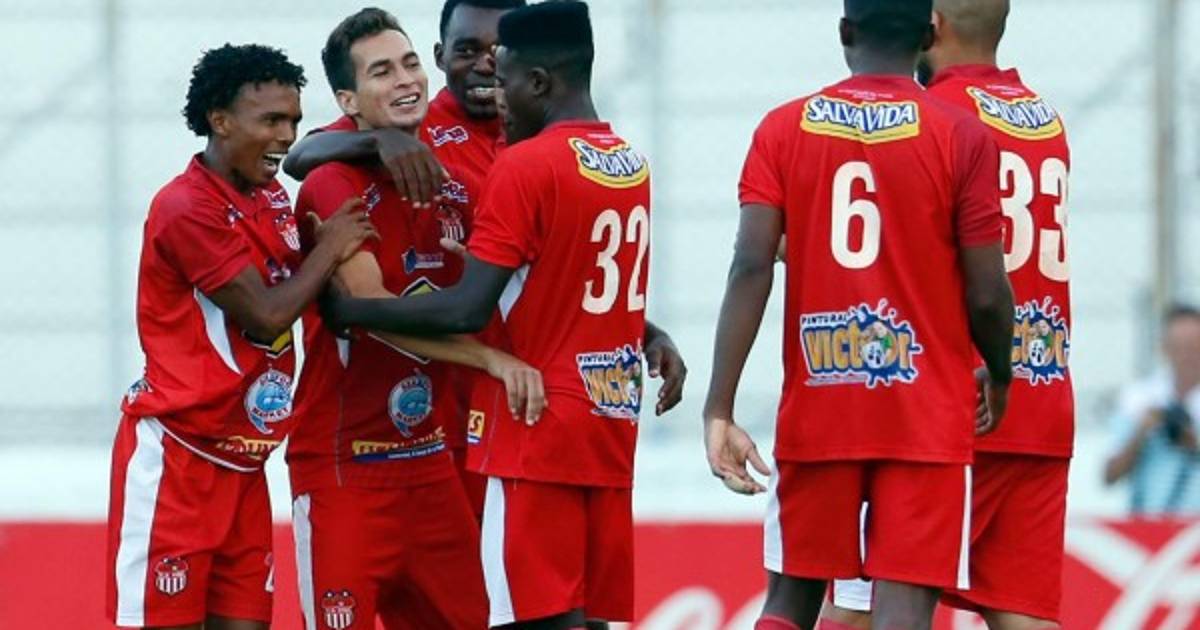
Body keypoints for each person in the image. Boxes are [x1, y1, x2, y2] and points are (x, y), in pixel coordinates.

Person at [325, 3, 685, 627]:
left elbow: (468, 308)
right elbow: (570, 278)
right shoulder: (629, 161)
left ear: (537, 82)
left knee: (531, 615)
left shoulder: (524, 163)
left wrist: (352, 309)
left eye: (506, 80)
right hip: (607, 419)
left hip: (534, 425)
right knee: (588, 615)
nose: (498, 96)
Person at [702, 0, 1014, 628]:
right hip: (924, 417)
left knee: (789, 602)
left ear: (845, 31)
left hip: (821, 408)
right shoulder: (961, 135)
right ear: (928, 33)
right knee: (902, 611)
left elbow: (751, 266)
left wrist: (720, 407)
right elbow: (987, 293)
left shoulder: (783, 128)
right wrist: (1000, 372)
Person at [285, 9, 548, 629]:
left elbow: (522, 266)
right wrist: (491, 358)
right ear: (348, 101)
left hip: (431, 464)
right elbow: (370, 310)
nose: (405, 80)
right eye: (382, 72)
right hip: (346, 466)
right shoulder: (332, 182)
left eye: (409, 64)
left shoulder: (449, 179)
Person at [106, 44, 376, 630]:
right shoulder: (185, 206)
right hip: (179, 462)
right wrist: (330, 248)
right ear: (220, 120)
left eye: (294, 120)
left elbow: (302, 291)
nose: (286, 136)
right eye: (271, 120)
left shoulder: (272, 197)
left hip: (245, 467)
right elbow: (267, 315)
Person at [822, 2, 1074, 629]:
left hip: (952, 408)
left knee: (861, 611)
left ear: (932, 23)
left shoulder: (932, 117)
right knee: (1022, 613)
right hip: (1041, 397)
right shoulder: (1044, 118)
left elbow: (890, 249)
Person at [1105, 306, 1200, 514]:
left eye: (1194, 346)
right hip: (1149, 524)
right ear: (1164, 348)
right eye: (1179, 347)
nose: (1188, 355)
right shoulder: (1139, 398)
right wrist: (1141, 434)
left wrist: (1194, 444)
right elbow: (1109, 476)